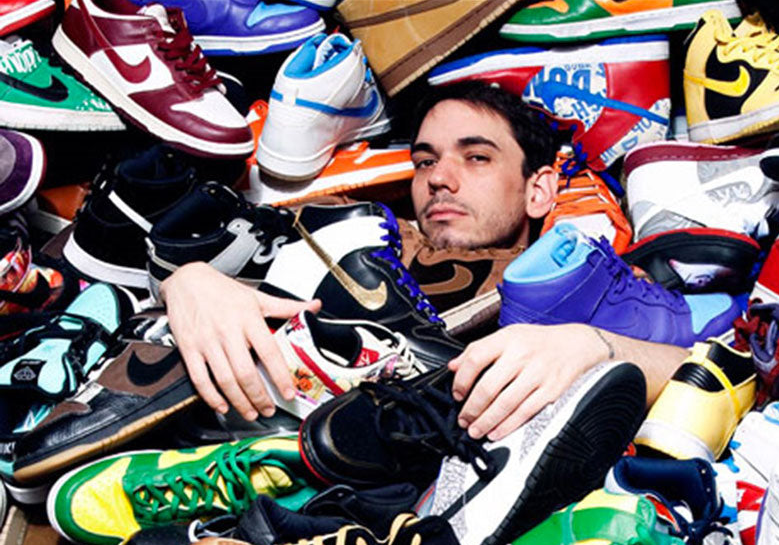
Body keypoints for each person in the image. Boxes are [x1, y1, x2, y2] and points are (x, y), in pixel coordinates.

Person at [161, 82, 688, 442]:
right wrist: (190, 281)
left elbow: (712, 369)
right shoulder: (359, 233)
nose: (439, 178)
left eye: (476, 157)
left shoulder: (583, 282)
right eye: (425, 161)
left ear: (539, 190)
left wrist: (589, 346)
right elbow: (203, 253)